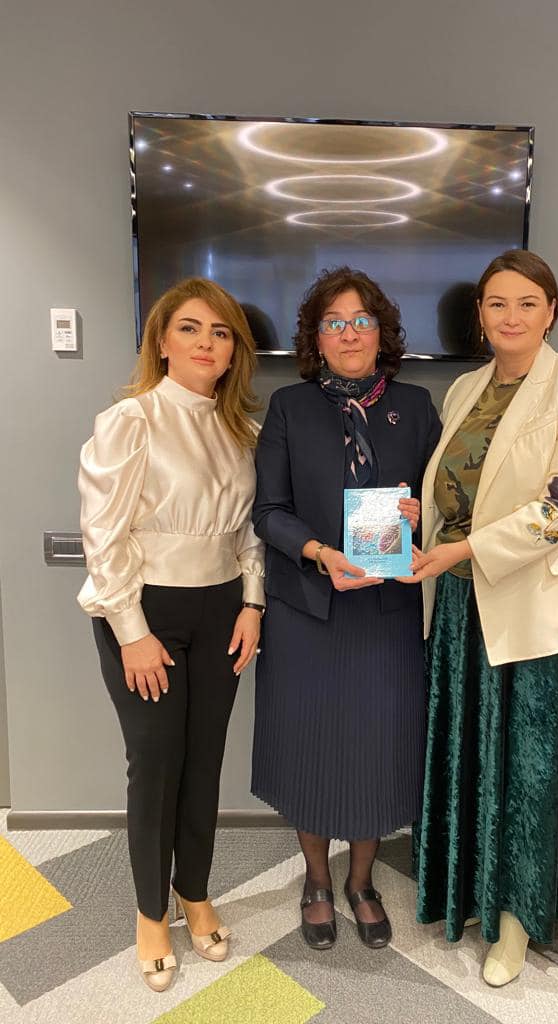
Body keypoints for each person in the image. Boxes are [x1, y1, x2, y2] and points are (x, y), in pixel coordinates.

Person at [403, 250, 558, 986]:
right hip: (466, 602)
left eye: (527, 303)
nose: (511, 316)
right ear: (480, 314)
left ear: (551, 312)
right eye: (497, 303)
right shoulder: (465, 387)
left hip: (550, 609)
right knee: (480, 758)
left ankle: (519, 918)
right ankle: (480, 890)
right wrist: (423, 517)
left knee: (531, 769)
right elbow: (462, 489)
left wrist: (466, 547)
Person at [78, 278, 265, 991]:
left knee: (203, 762)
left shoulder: (242, 431)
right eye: (190, 328)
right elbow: (103, 534)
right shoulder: (131, 420)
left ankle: (195, 892)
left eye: (221, 332)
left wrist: (252, 604)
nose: (206, 343)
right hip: (146, 609)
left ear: (234, 351)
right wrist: (131, 630)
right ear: (162, 341)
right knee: (156, 766)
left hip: (222, 610)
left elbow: (249, 534)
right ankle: (151, 912)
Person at [251, 266, 441, 951]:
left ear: (381, 333)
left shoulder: (416, 406)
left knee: (375, 750)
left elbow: (447, 502)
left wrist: (422, 513)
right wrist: (319, 552)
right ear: (317, 338)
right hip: (308, 610)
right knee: (307, 748)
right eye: (335, 322)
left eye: (362, 320)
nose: (350, 333)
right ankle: (316, 880)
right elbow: (267, 511)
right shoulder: (288, 407)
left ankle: (361, 881)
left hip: (387, 613)